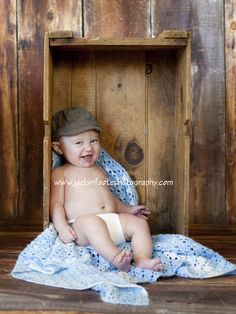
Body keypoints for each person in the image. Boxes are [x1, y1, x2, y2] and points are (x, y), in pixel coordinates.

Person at [50, 106, 163, 273]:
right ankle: (116, 257)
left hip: (111, 222)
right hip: (82, 228)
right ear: (58, 148)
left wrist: (128, 210)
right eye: (79, 142)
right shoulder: (61, 173)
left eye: (93, 141)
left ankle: (141, 259)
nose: (88, 148)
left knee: (139, 224)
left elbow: (108, 198)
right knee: (92, 222)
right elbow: (56, 204)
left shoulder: (99, 170)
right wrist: (61, 227)